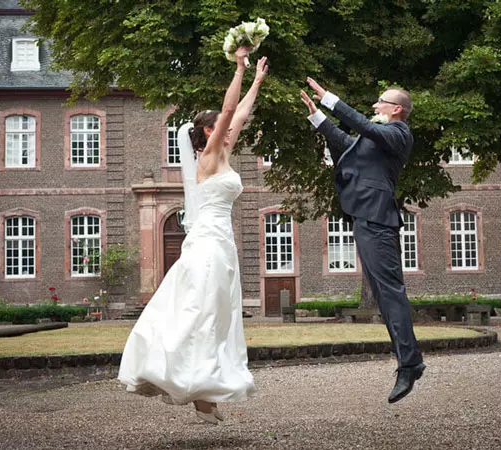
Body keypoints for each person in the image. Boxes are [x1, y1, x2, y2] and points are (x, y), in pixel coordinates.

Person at [118, 48, 269, 424]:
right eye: (221, 126)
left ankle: (203, 389)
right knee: (201, 309)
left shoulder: (224, 154)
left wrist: (257, 81)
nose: (231, 129)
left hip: (221, 242)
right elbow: (231, 110)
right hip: (209, 243)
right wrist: (238, 70)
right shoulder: (211, 156)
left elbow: (242, 113)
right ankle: (185, 382)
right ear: (208, 131)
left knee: (217, 312)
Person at [300, 79, 425, 403]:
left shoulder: (398, 134)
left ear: (396, 109)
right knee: (385, 296)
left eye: (380, 101)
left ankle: (410, 364)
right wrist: (318, 117)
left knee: (391, 292)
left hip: (378, 219)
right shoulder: (375, 139)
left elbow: (364, 127)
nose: (374, 105)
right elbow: (345, 140)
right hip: (366, 218)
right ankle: (409, 362)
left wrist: (330, 98)